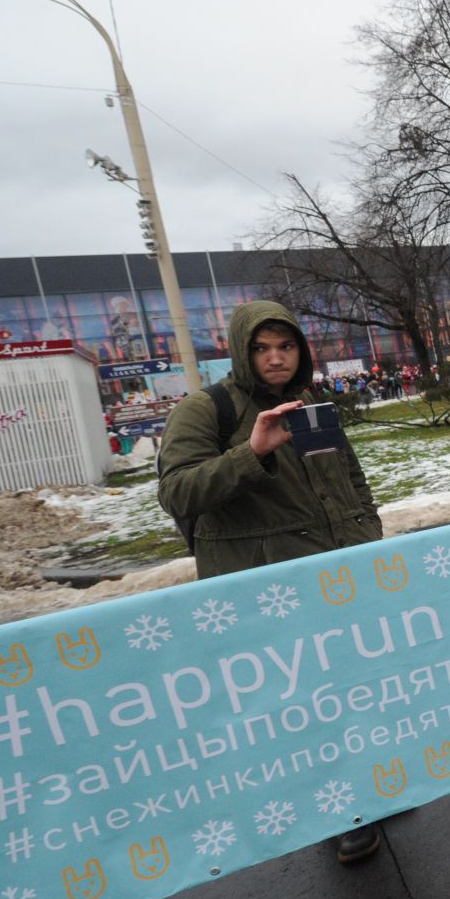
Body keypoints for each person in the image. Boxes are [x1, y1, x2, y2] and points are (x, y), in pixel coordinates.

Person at [157, 301, 386, 865]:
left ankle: (370, 792)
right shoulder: (205, 409)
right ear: (242, 352)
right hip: (267, 589)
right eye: (262, 348)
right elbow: (177, 492)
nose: (276, 358)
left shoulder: (309, 404)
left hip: (338, 575)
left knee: (351, 693)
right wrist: (250, 453)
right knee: (300, 707)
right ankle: (339, 814)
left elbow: (347, 476)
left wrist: (368, 534)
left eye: (286, 347)